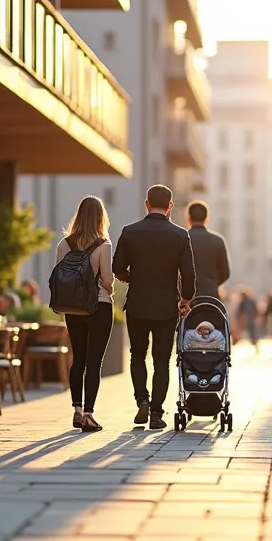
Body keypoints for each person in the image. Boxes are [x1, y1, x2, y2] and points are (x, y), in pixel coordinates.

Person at [112, 184, 196, 430]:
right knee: (162, 359)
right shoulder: (180, 235)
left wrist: (132, 279)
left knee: (137, 354)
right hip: (166, 307)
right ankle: (157, 413)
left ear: (146, 204)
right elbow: (189, 273)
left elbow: (117, 268)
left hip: (137, 304)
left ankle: (141, 400)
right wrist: (186, 299)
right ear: (170, 206)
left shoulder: (129, 232)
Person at [53, 195, 116, 433]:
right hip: (99, 307)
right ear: (101, 217)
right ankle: (89, 414)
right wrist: (110, 286)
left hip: (72, 308)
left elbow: (60, 276)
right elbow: (108, 282)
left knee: (78, 359)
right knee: (94, 362)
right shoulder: (103, 246)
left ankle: (77, 411)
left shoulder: (64, 244)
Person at [186, 201, 231, 299]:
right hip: (211, 295)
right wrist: (211, 283)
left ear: (189, 219)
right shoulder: (218, 240)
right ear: (206, 219)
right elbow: (225, 273)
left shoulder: (181, 239)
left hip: (186, 298)